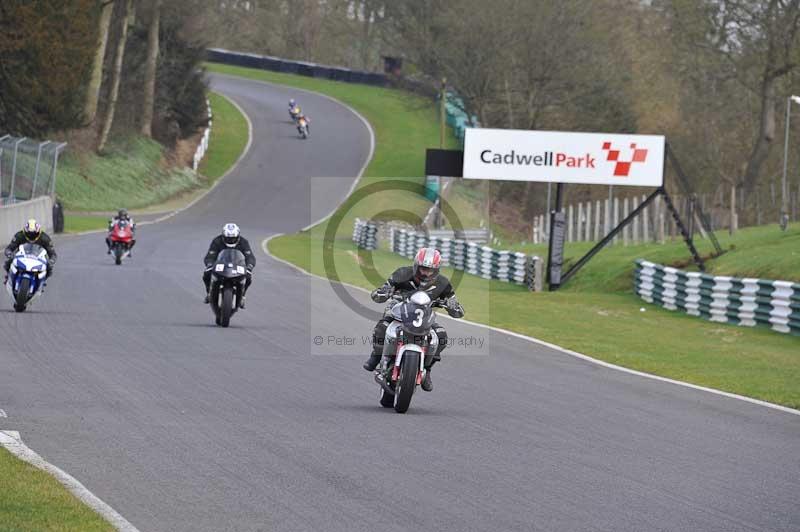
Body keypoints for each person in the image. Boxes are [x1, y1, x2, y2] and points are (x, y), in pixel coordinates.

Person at [362, 247, 464, 392]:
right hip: (398, 313)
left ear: (436, 270)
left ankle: (427, 370)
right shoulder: (402, 273)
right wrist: (384, 292)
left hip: (424, 318)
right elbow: (382, 290)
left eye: (430, 270)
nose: (425, 273)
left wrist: (453, 306)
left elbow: (456, 307)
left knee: (441, 335)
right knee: (382, 327)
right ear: (416, 265)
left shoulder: (443, 283)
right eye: (423, 269)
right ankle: (376, 356)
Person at [202, 223, 255, 309]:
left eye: (233, 238)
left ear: (238, 236)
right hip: (221, 265)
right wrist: (210, 264)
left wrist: (249, 266)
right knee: (207, 273)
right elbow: (210, 255)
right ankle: (209, 292)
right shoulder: (217, 241)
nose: (231, 240)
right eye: (228, 238)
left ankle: (242, 296)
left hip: (237, 265)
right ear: (223, 235)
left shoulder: (243, 242)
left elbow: (250, 256)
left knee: (248, 276)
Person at [3, 219, 57, 284]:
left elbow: (52, 252)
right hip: (21, 256)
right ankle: (8, 276)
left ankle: (43, 281)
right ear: (25, 231)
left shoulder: (44, 238)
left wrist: (51, 260)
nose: (32, 236)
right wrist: (9, 253)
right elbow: (10, 247)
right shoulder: (19, 235)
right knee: (9, 262)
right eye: (29, 234)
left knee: (49, 268)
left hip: (38, 258)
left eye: (34, 234)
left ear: (38, 231)